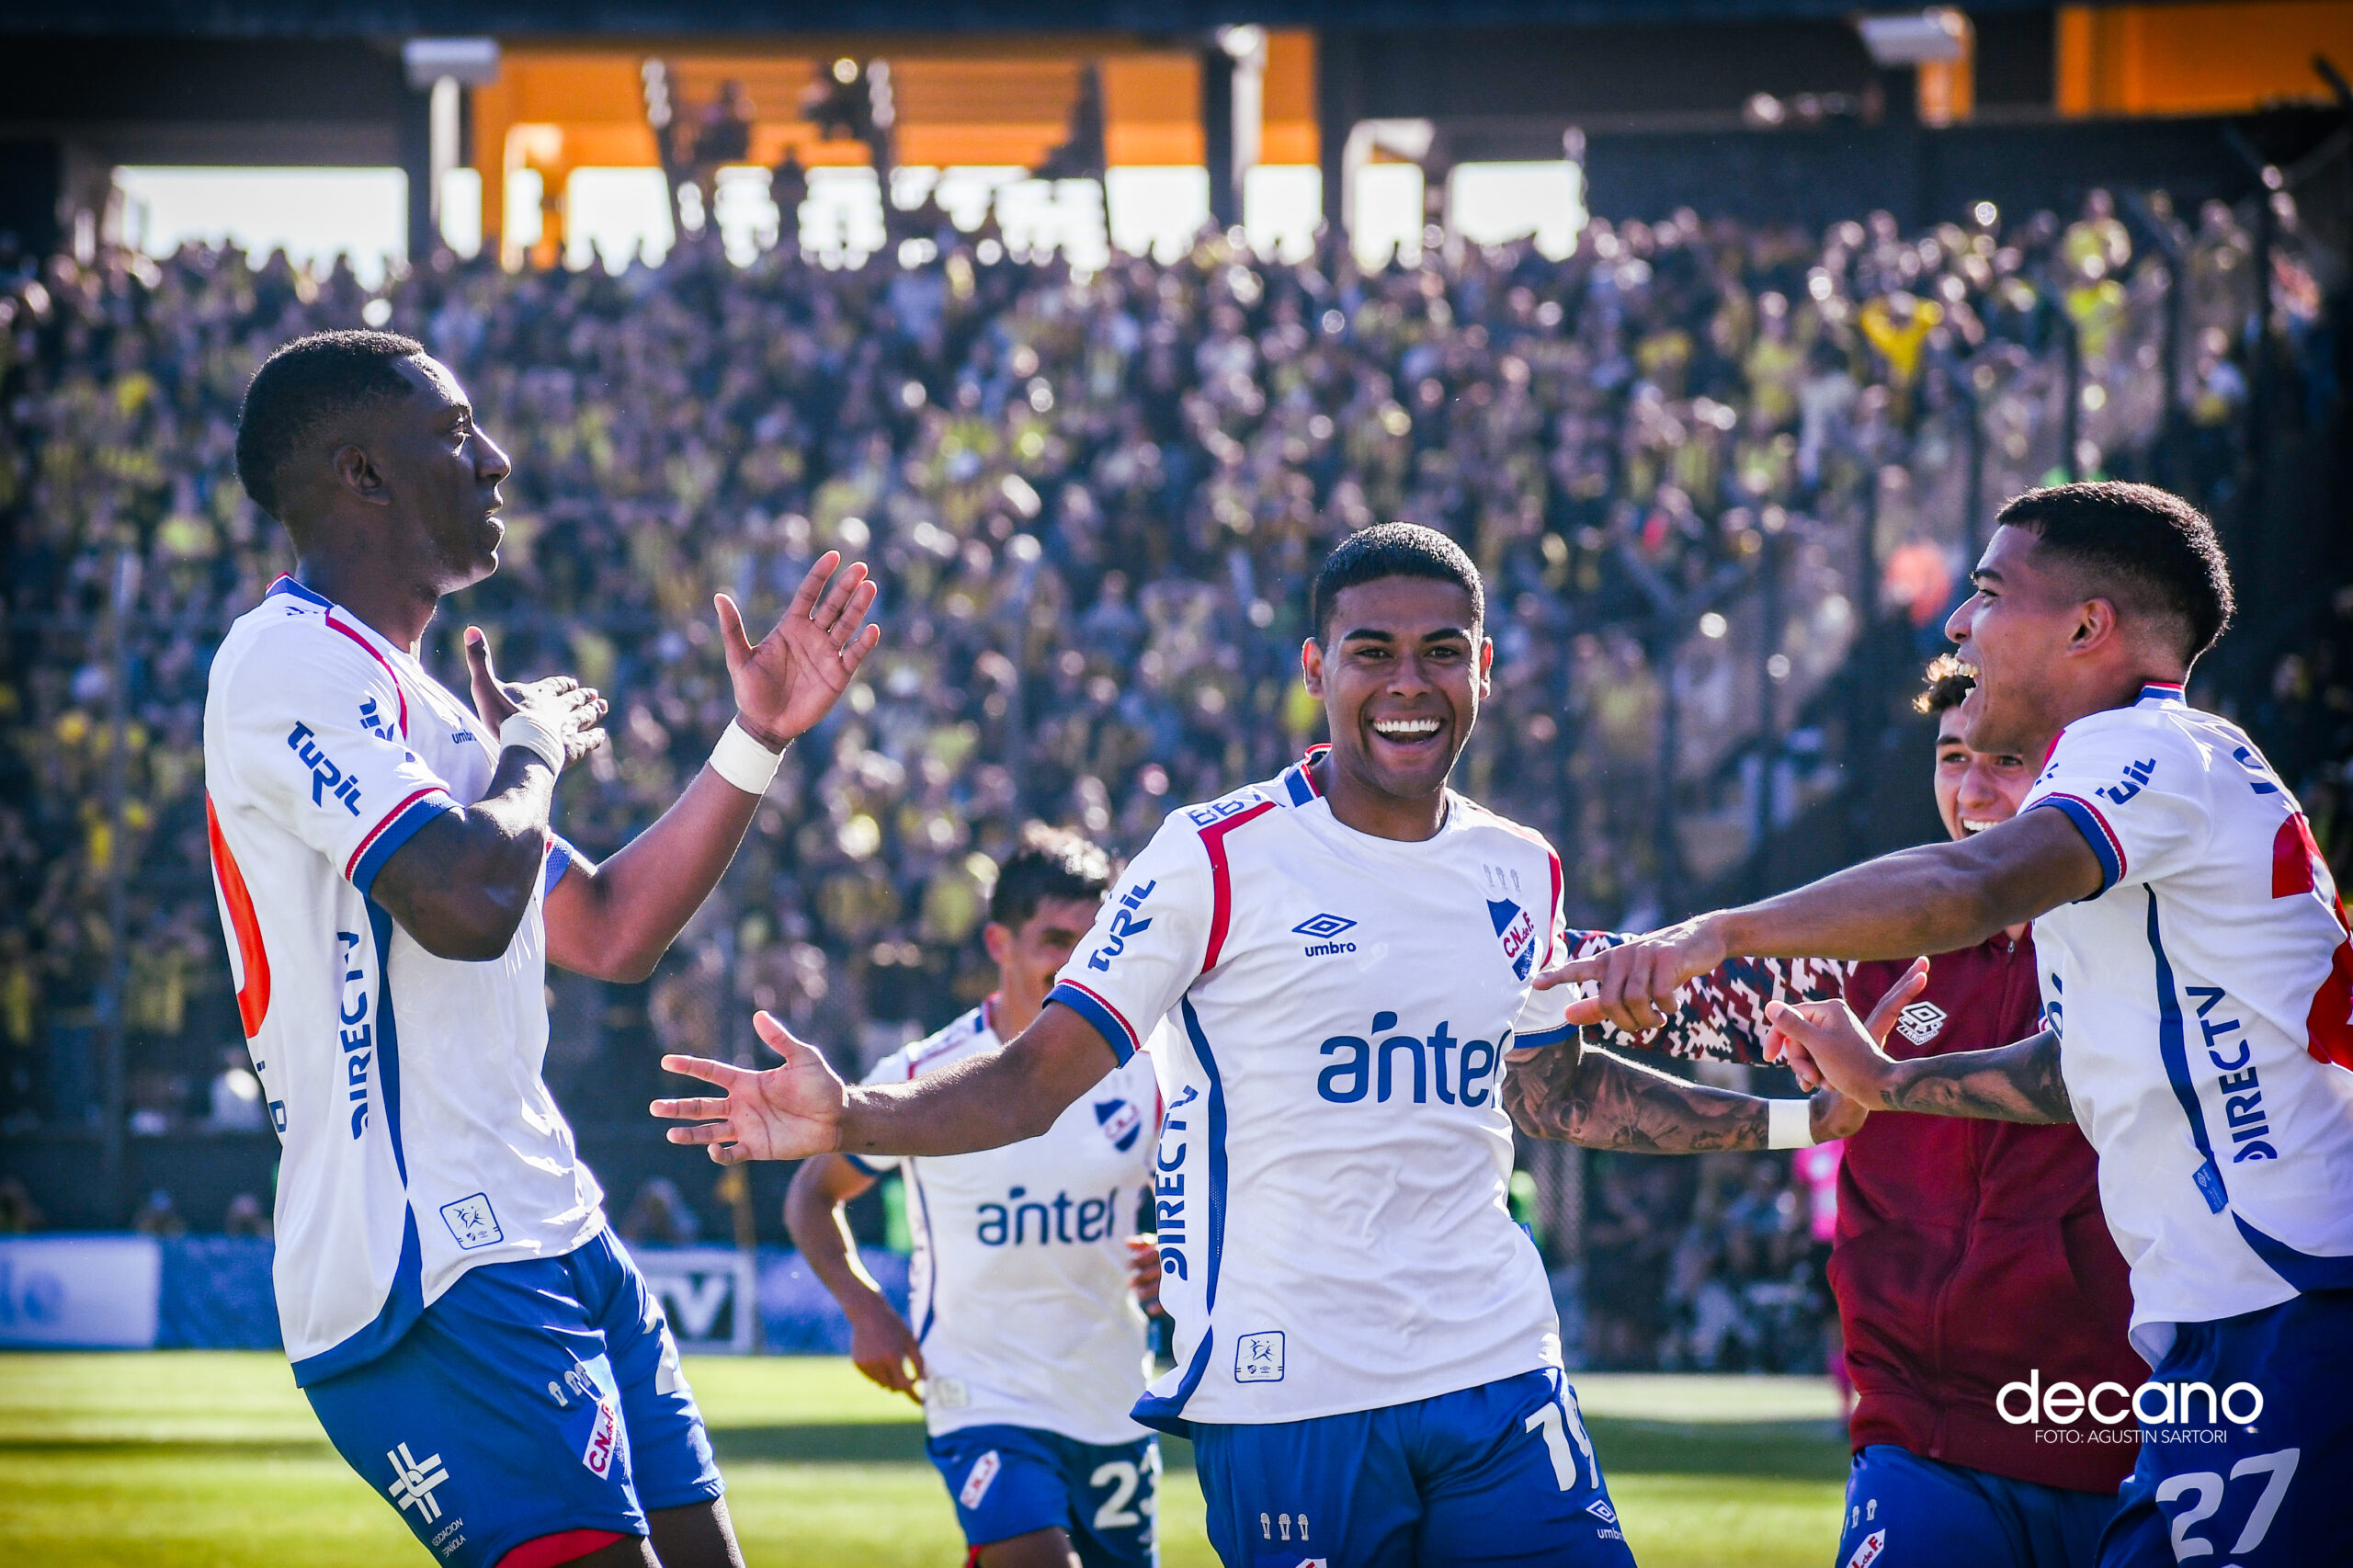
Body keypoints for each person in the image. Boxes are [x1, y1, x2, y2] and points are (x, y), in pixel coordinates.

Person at [655, 522, 1862, 1566]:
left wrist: (1799, 1118)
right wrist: (852, 1116)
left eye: (1442, 650)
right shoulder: (1214, 856)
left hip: (1497, 1367)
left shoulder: (1519, 867)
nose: (1409, 682)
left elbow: (1549, 1092)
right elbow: (1034, 1078)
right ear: (1314, 669)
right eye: (1371, 651)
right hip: (1290, 1393)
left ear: (1485, 667)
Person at [1550, 483, 2353, 1566]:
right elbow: (2073, 1067)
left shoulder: (2151, 749)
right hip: (2215, 1326)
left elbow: (1971, 884)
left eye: (1989, 592)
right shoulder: (2129, 832)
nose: (1959, 622)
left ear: (2087, 627)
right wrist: (1890, 1081)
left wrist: (1718, 929)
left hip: (2294, 1296)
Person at [203, 329, 880, 1568]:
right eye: (456, 433)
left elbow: (610, 928)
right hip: (425, 1260)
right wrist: (533, 753)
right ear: (361, 473)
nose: (496, 460)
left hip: (554, 1223)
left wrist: (756, 738)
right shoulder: (283, 660)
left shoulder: (429, 707)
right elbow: (465, 904)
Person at [785, 826, 1165, 1568]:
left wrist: (1184, 1252)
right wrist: (867, 1310)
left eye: (1092, 941)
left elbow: (1221, 1188)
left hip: (1112, 1396)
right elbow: (813, 1193)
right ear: (999, 943)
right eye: (1054, 939)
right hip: (982, 1396)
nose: (1076, 961)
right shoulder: (925, 1074)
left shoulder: (1150, 1068)